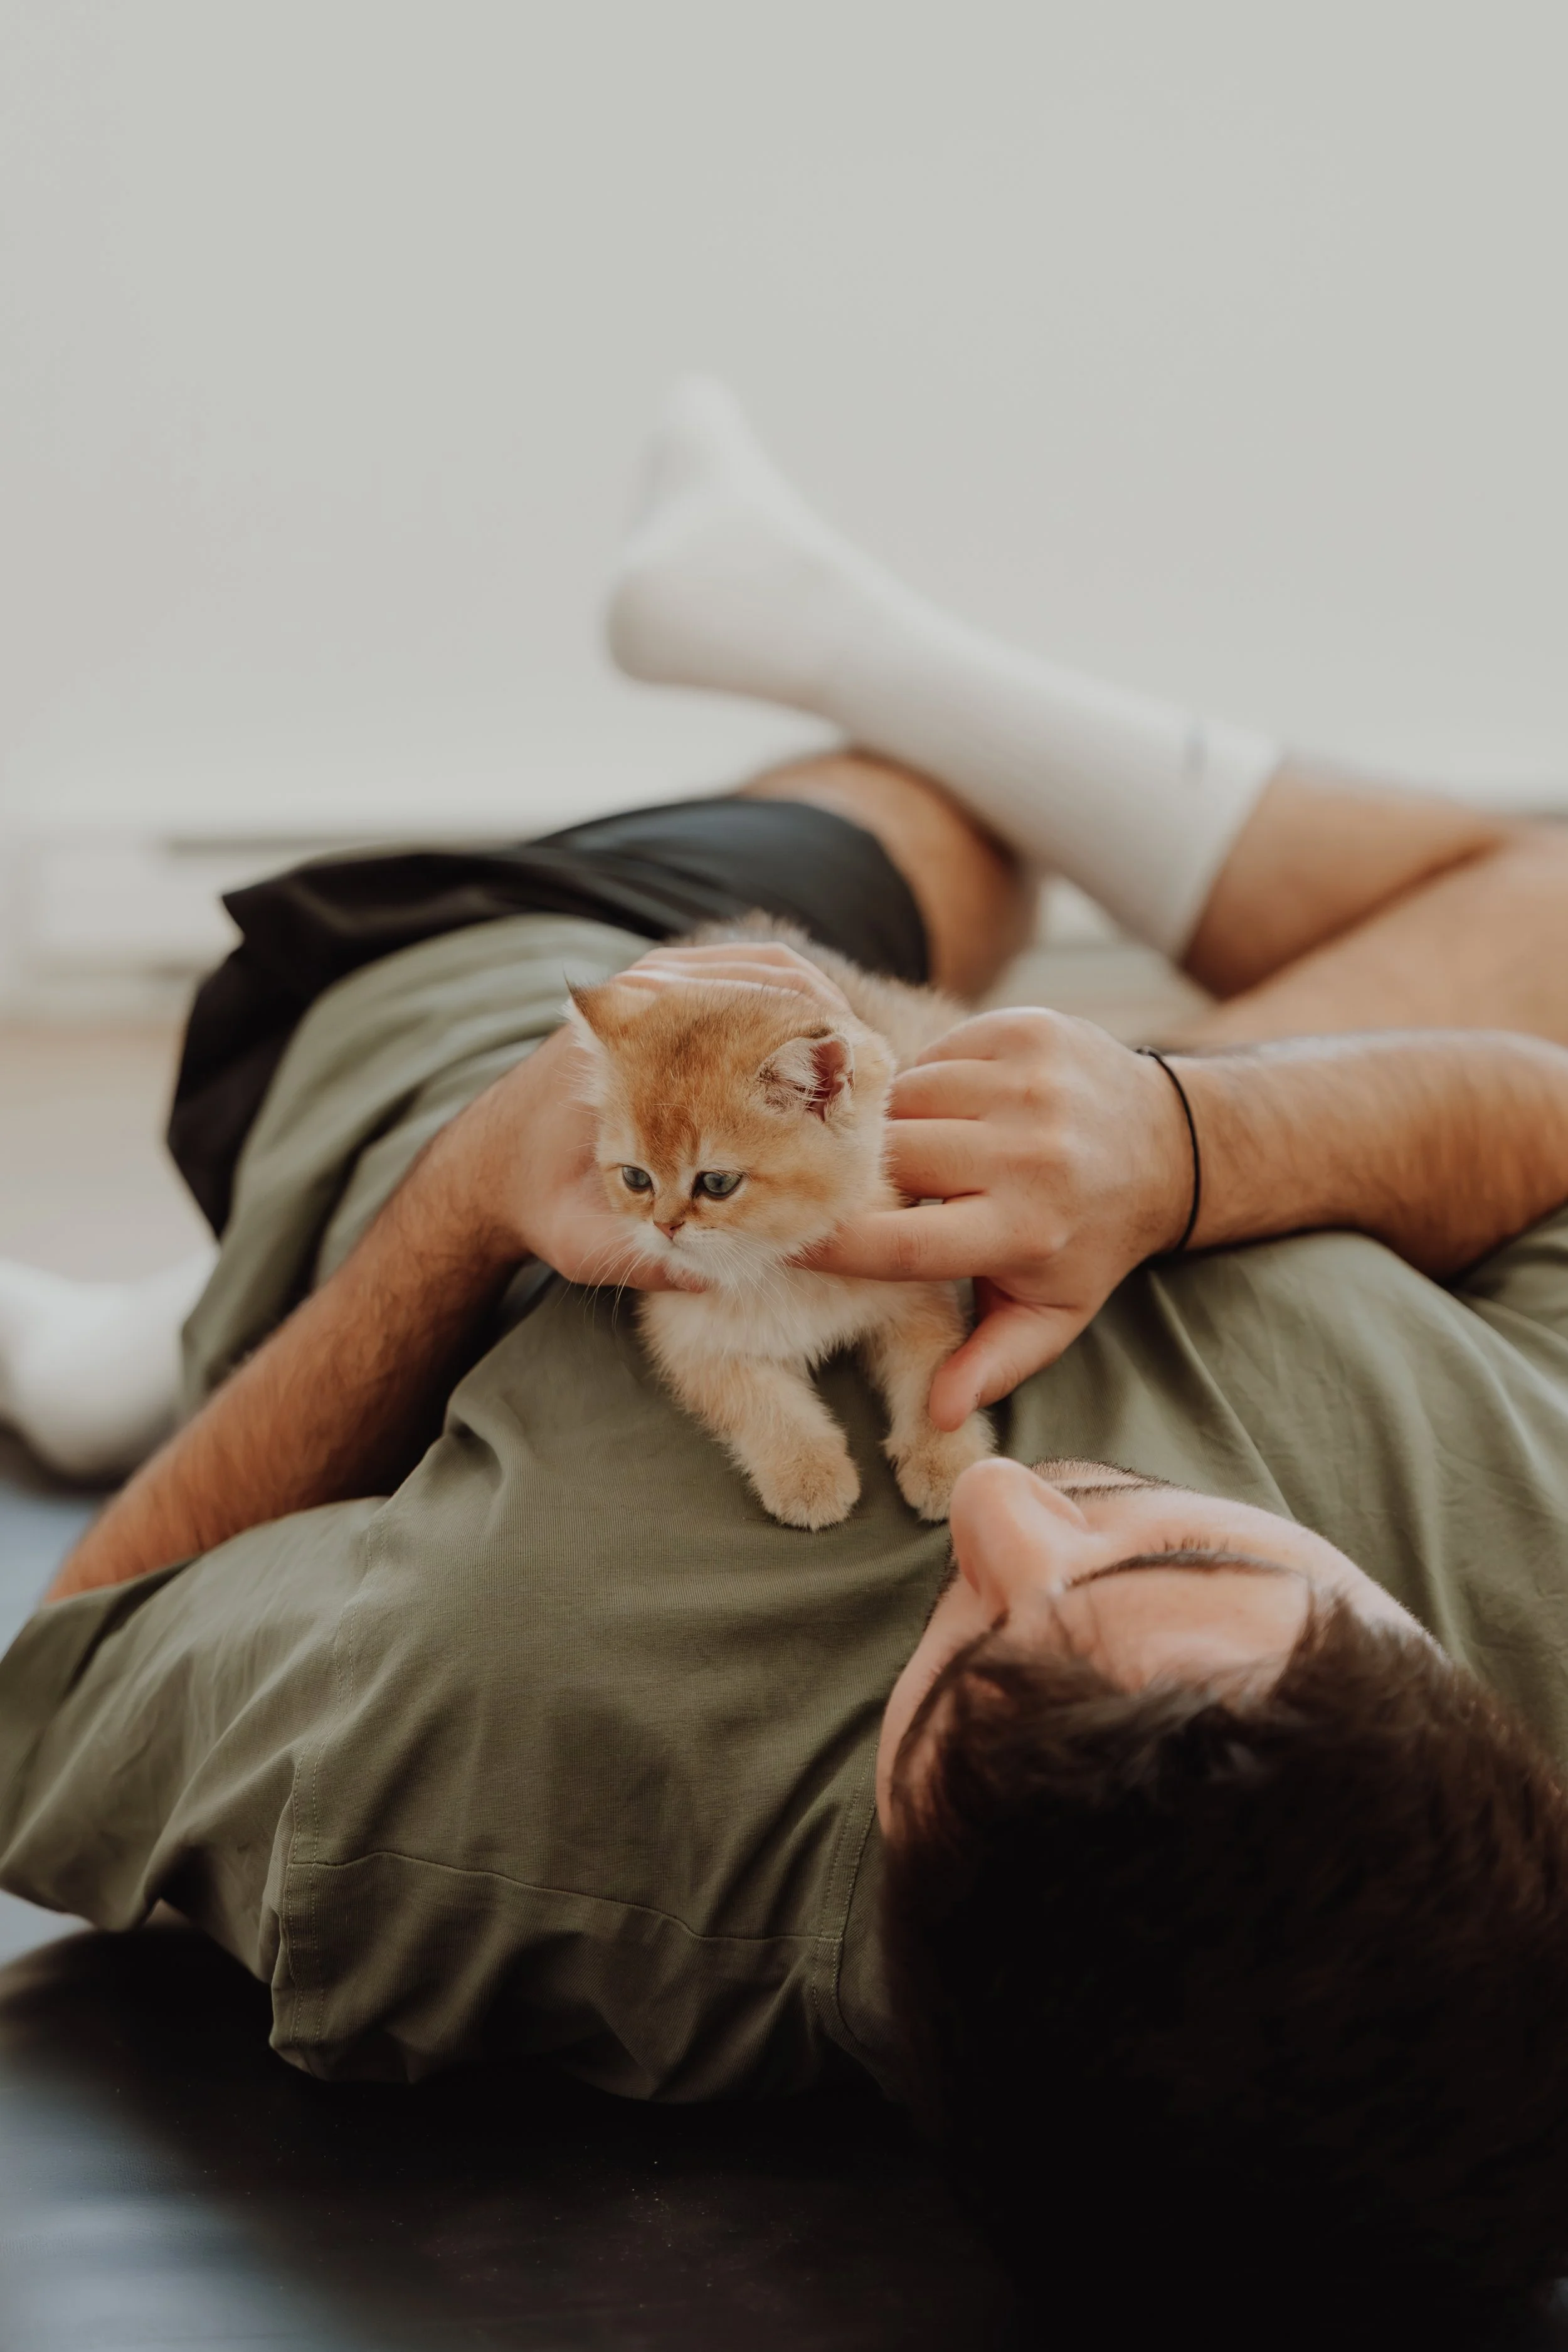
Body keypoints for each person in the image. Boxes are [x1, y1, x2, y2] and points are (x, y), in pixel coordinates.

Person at [4, 381, 1568, 2345]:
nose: (999, 1502)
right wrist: (1195, 1136)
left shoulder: (480, 1767)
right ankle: (853, 675)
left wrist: (470, 1191)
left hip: (540, 1048)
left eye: (968, 1668)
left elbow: (67, 1674)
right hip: (1011, 1115)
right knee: (1540, 906)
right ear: (1454, 1678)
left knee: (936, 823)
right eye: (1191, 1553)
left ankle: (198, 1310)